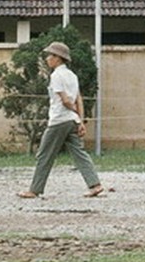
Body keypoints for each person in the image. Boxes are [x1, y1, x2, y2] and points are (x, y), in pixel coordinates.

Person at [18, 41, 103, 199]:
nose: (47, 59)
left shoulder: (56, 76)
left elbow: (65, 101)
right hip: (71, 121)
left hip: (59, 121)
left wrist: (74, 111)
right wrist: (79, 119)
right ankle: (95, 184)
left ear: (58, 58)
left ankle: (35, 190)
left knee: (44, 155)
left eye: (50, 55)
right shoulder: (72, 75)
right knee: (79, 153)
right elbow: (79, 98)